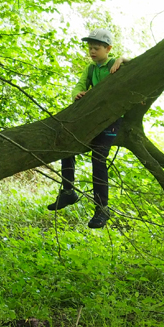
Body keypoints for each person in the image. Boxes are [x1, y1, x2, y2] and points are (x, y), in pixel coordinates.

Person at [47, 28, 127, 229]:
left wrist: (124, 59)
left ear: (108, 48)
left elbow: (141, 65)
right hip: (92, 118)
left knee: (98, 158)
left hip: (111, 120)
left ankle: (102, 208)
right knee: (68, 143)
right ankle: (68, 191)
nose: (92, 51)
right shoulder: (91, 69)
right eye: (90, 48)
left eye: (96, 48)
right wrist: (78, 94)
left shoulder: (114, 64)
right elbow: (79, 85)